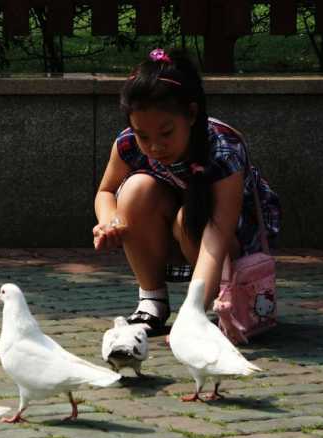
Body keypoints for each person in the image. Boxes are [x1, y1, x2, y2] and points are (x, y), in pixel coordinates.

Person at [93, 48, 280, 341]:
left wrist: (191, 318)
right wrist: (109, 220)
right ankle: (152, 301)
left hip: (228, 242)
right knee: (134, 190)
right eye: (143, 135)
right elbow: (106, 191)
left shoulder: (222, 150)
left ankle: (206, 310)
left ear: (191, 115)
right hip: (176, 231)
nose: (154, 146)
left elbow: (217, 237)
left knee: (188, 220)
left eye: (166, 133)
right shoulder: (128, 143)